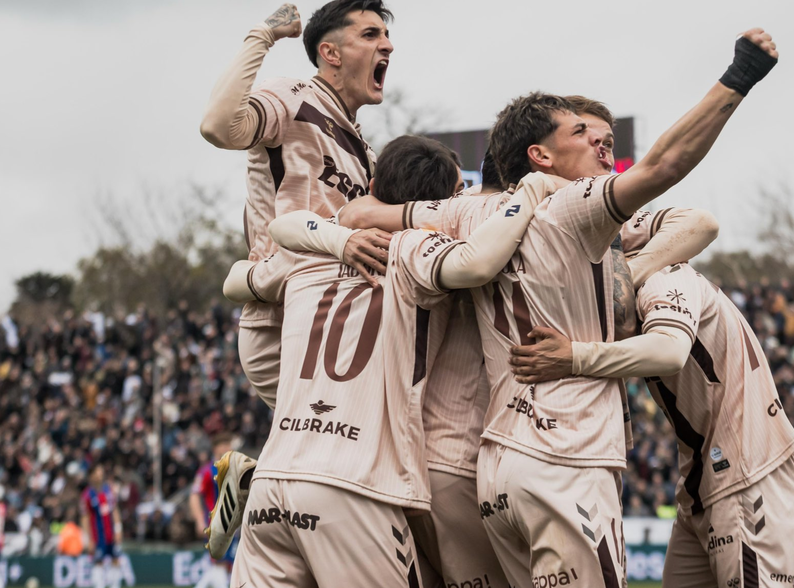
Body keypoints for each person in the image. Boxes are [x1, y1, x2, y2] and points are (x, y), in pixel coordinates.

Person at [337, 28, 779, 587]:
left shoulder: (465, 215)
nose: (603, 148)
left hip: (497, 469)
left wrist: (348, 218)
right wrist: (739, 78)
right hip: (566, 456)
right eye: (583, 135)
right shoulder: (574, 209)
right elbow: (665, 168)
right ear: (539, 157)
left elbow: (382, 215)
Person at [219, 135, 559, 588]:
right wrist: (532, 192)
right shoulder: (413, 248)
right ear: (439, 207)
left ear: (374, 183)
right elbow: (477, 264)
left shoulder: (309, 250)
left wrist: (337, 237)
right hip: (354, 488)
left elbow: (241, 277)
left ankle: (254, 470)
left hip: (274, 482)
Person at [198, 0, 396, 559]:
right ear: (330, 53)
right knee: (352, 473)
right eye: (370, 33)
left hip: (332, 320)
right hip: (283, 320)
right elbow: (218, 125)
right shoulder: (295, 97)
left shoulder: (363, 147)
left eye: (387, 35)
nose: (387, 45)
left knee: (359, 457)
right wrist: (262, 36)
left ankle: (254, 478)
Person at [507, 260, 794, 588]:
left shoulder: (663, 281)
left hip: (748, 477)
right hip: (700, 485)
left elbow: (670, 352)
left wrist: (575, 357)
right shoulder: (641, 285)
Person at [189, 435, 238, 588]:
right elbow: (194, 495)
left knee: (227, 566)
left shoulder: (236, 469)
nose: (227, 448)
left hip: (234, 526)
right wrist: (199, 520)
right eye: (223, 444)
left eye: (228, 444)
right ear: (215, 448)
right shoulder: (207, 471)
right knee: (221, 564)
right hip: (216, 524)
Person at [80, 464, 124, 588]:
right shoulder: (87, 495)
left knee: (116, 559)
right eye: (98, 472)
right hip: (97, 535)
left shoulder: (108, 490)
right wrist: (87, 539)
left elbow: (114, 510)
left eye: (101, 471)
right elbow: (85, 517)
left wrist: (118, 529)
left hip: (111, 532)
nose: (101, 474)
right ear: (92, 475)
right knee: (98, 562)